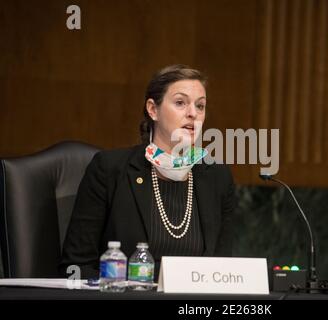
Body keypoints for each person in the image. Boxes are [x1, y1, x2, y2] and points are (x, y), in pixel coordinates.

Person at [59, 65, 236, 279]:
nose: (193, 113)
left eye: (200, 106)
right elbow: (77, 267)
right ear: (153, 110)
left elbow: (224, 271)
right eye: (180, 103)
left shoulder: (217, 178)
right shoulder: (110, 169)